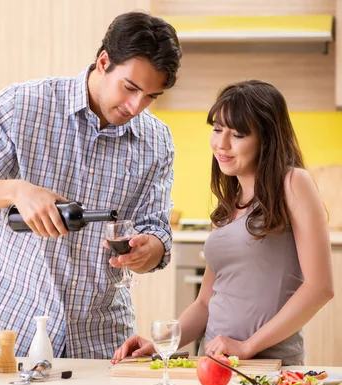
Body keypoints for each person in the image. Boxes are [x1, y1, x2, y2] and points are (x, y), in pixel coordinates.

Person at [0, 11, 182, 359]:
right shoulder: (22, 107)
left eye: (151, 96)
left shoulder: (156, 141)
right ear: (103, 61)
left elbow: (156, 231)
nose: (135, 106)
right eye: (130, 88)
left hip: (103, 341)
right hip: (15, 332)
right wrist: (16, 190)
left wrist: (147, 250)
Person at [112, 80, 334, 366]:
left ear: (266, 138)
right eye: (217, 129)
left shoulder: (293, 184)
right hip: (215, 363)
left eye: (238, 134)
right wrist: (160, 344)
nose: (221, 144)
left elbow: (320, 288)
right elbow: (205, 303)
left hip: (269, 366)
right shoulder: (228, 207)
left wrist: (247, 346)